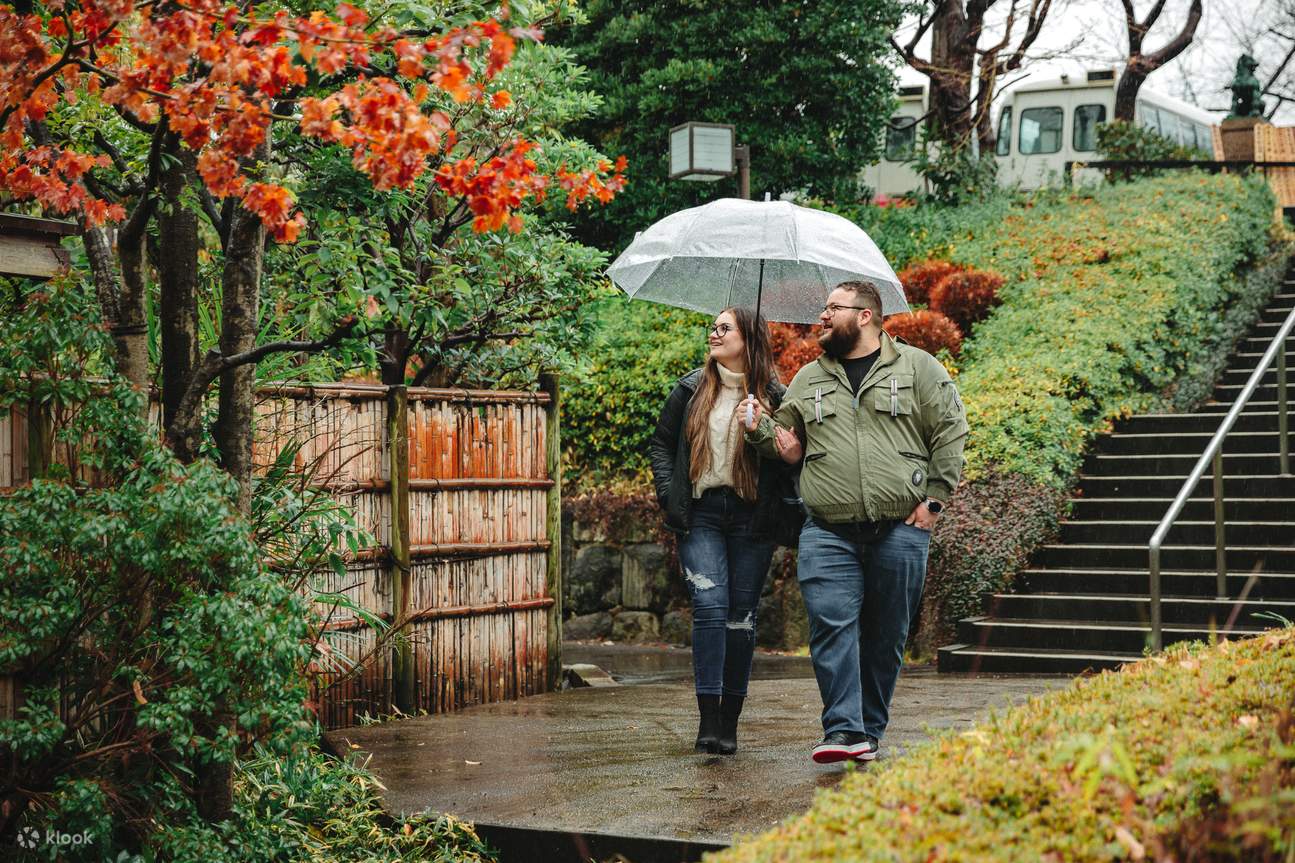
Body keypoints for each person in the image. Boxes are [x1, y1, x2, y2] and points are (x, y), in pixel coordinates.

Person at [740, 281, 968, 764]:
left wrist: (935, 501)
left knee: (886, 635)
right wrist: (758, 426)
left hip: (901, 528)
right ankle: (843, 731)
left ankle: (869, 728)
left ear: (865, 316)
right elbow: (788, 443)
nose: (822, 317)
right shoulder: (809, 377)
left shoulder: (917, 367)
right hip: (827, 528)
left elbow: (951, 428)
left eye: (833, 309)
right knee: (830, 625)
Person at [649, 305, 791, 755]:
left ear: (748, 338)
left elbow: (791, 459)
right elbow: (661, 444)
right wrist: (671, 494)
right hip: (702, 513)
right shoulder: (691, 388)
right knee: (710, 607)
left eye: (723, 328)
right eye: (712, 327)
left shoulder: (776, 395)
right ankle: (707, 720)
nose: (713, 334)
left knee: (740, 617)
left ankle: (729, 722)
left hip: (753, 518)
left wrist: (762, 426)